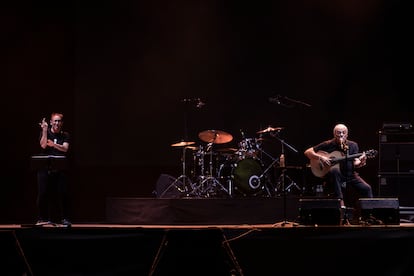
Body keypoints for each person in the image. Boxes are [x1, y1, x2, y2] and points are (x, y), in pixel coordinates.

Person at [304, 123, 373, 208]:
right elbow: (308, 152)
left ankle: (368, 214)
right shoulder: (328, 144)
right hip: (334, 176)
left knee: (367, 188)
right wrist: (321, 157)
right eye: (338, 132)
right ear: (334, 134)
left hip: (350, 174)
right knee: (335, 170)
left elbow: (355, 163)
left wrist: (361, 162)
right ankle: (340, 203)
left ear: (347, 134)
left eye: (343, 133)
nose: (341, 135)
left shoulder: (353, 145)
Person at [36, 112, 72, 227]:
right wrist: (45, 130)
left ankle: (65, 218)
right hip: (45, 168)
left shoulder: (65, 135)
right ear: (51, 122)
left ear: (62, 123)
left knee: (63, 193)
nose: (57, 123)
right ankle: (42, 218)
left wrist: (54, 145)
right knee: (43, 193)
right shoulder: (44, 132)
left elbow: (65, 149)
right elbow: (42, 145)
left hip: (59, 168)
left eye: (59, 121)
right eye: (55, 121)